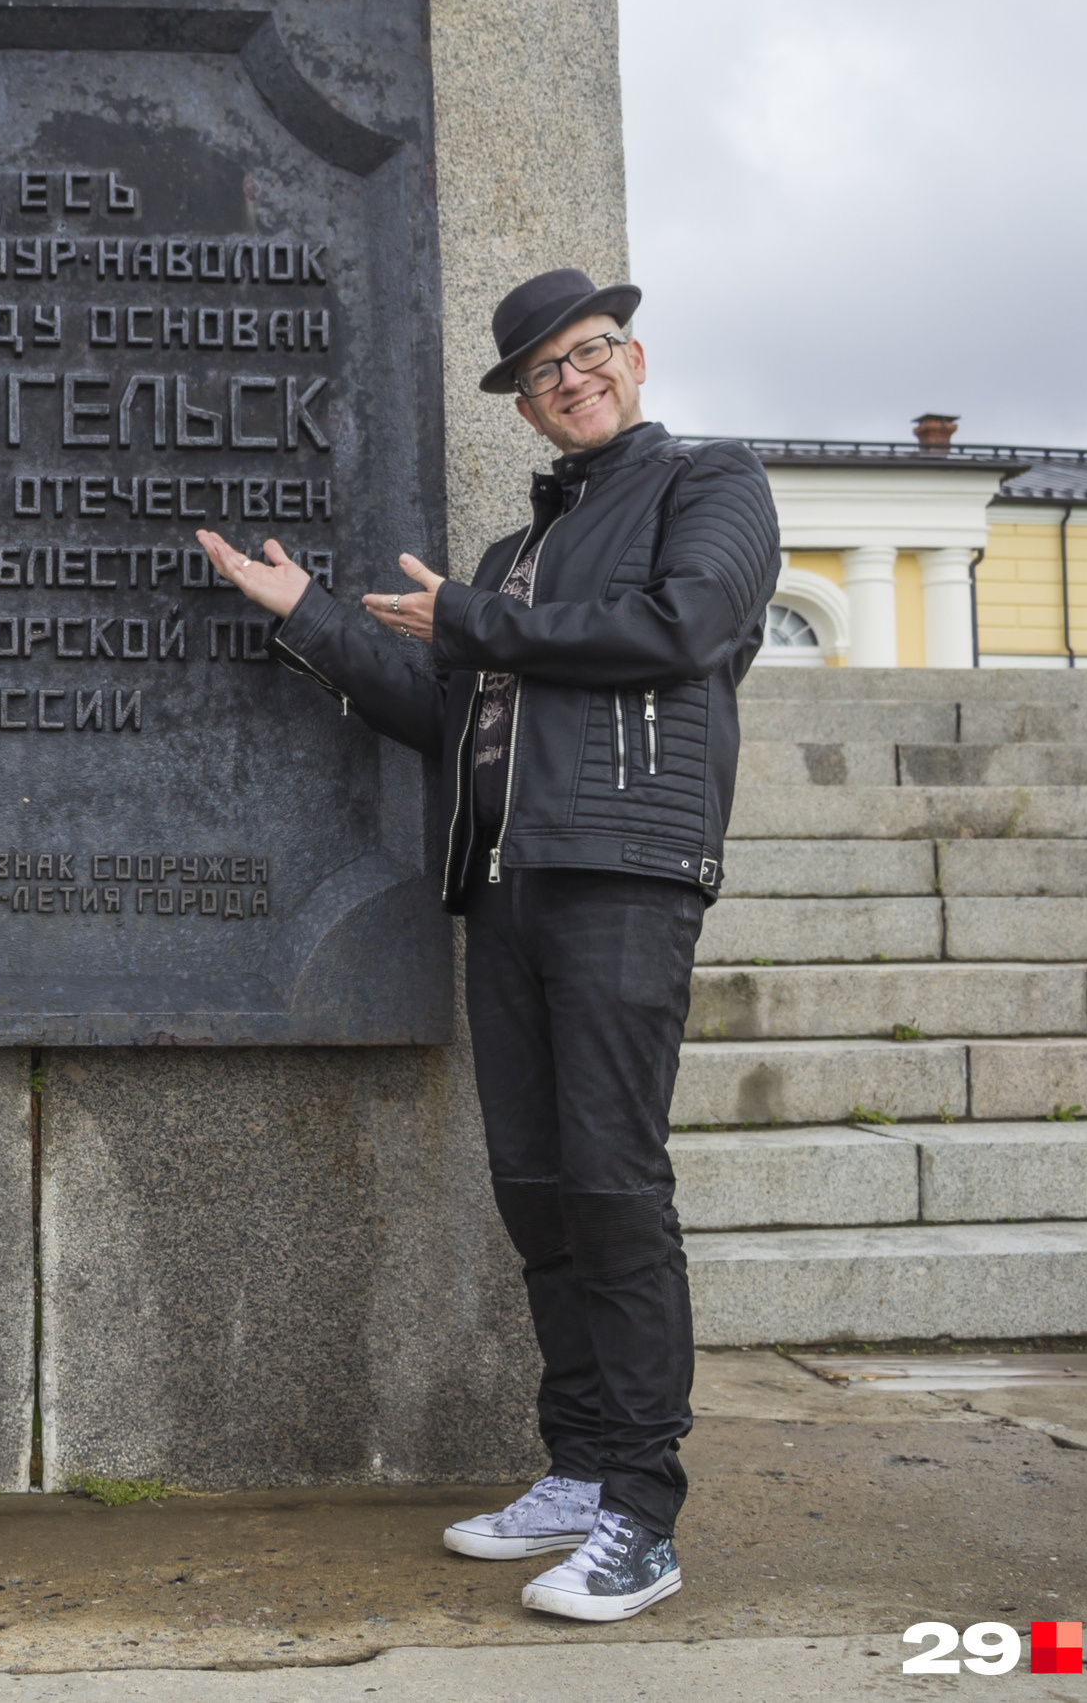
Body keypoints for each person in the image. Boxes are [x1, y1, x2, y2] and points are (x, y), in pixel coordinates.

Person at [193, 269, 778, 1623]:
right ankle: (579, 1466)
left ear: (634, 357)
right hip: (506, 887)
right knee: (539, 1188)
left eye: (589, 352)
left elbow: (684, 626)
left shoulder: (710, 485)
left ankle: (642, 1512)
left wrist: (470, 617)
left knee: (614, 1187)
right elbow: (446, 712)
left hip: (624, 874)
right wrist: (309, 614)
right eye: (542, 372)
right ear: (523, 408)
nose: (572, 379)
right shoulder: (516, 556)